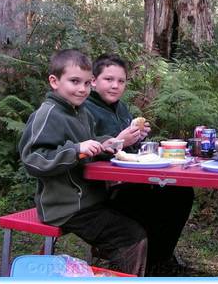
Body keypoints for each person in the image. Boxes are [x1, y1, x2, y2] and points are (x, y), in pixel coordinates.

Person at [18, 49, 148, 276]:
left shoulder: (80, 112)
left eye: (87, 83)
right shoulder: (48, 114)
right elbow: (33, 159)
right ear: (54, 81)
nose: (82, 89)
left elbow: (91, 141)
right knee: (131, 236)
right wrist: (76, 150)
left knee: (143, 209)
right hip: (66, 206)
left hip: (92, 198)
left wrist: (108, 142)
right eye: (74, 81)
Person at [85, 53, 194, 276]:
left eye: (121, 81)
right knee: (150, 200)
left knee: (181, 193)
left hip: (127, 182)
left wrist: (138, 139)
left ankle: (160, 259)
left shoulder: (122, 109)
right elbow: (88, 154)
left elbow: (128, 152)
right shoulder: (85, 109)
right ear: (93, 81)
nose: (115, 86)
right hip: (100, 192)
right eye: (108, 79)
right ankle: (148, 263)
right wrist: (120, 141)